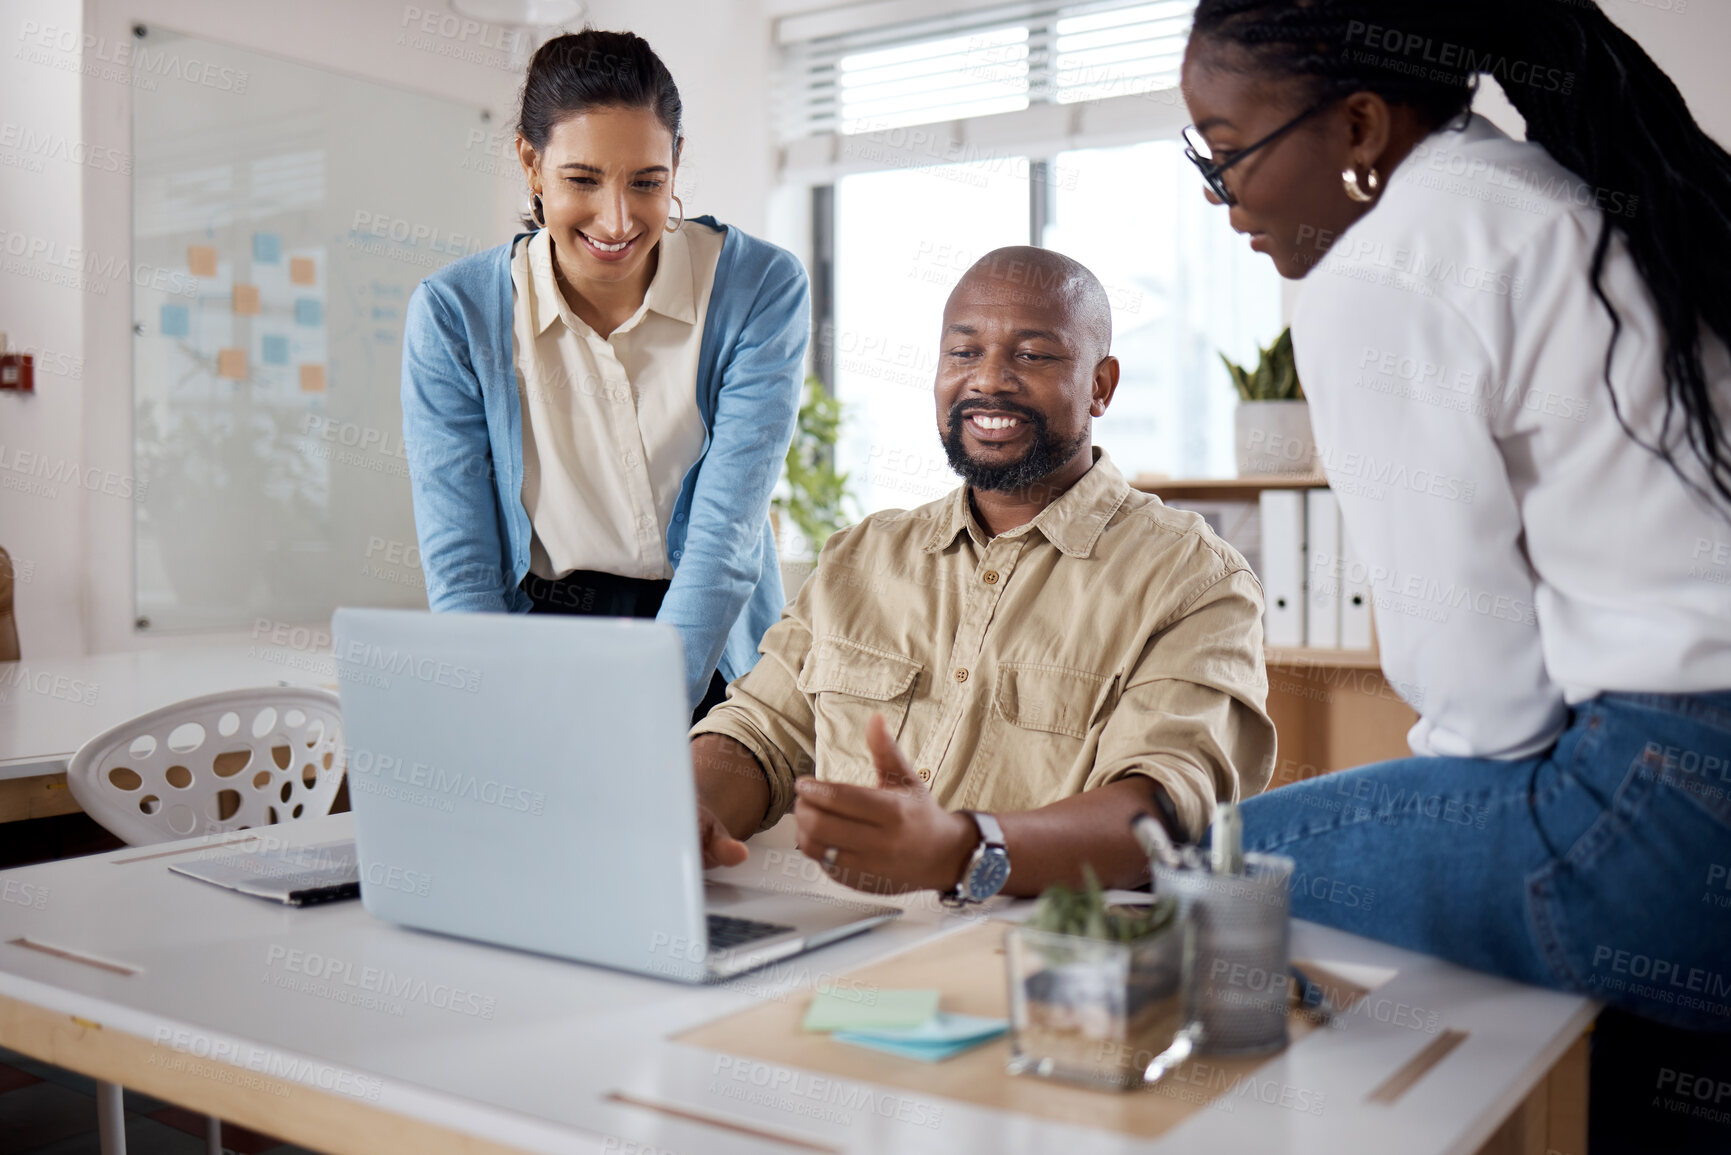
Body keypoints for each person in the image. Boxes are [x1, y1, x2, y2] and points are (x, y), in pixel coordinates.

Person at [1180, 0, 1731, 1031]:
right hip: (1691, 785)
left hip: (1674, 807)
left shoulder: (1384, 271)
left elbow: (1491, 713)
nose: (1223, 201)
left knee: (1216, 869)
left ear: (1358, 128)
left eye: (1224, 156)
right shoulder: (1563, 193)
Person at [689, 247, 1276, 901]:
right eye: (963, 353)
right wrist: (692, 808)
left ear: (1100, 385)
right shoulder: (861, 557)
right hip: (844, 942)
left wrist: (961, 849)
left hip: (1044, 959)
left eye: (1032, 355)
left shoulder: (1194, 579)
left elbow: (1159, 809)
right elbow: (759, 731)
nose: (988, 380)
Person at [400, 29, 809, 717]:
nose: (616, 220)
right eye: (581, 179)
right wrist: (492, 707)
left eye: (646, 182)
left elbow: (724, 539)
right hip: (538, 642)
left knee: (696, 824)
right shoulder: (454, 314)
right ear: (531, 164)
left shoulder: (757, 288)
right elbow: (462, 562)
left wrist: (643, 714)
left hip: (709, 638)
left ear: (677, 162)